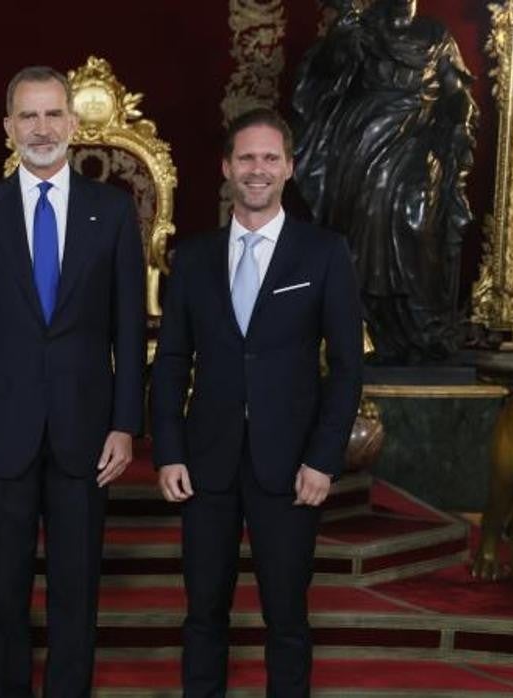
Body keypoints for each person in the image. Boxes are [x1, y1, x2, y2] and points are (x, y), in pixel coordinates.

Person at [0, 66, 146, 697]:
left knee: (74, 592)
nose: (41, 128)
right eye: (28, 116)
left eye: (52, 114)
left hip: (86, 435)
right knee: (1, 592)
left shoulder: (112, 212)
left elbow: (130, 330)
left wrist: (124, 423)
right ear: (8, 128)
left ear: (73, 123)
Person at [150, 108, 363, 696]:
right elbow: (169, 362)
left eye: (271, 158)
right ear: (226, 167)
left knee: (287, 620)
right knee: (203, 617)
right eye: (246, 157)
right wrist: (168, 451)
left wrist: (323, 460)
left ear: (289, 167)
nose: (258, 169)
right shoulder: (192, 259)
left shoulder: (324, 253)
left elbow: (347, 369)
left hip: (292, 467)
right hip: (206, 465)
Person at [292, 0, 477, 363]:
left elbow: (456, 90)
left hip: (420, 139)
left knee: (419, 217)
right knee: (366, 213)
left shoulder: (435, 35)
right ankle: (362, 323)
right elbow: (326, 73)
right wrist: (341, 35)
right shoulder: (363, 30)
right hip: (363, 139)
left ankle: (419, 325)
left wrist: (462, 113)